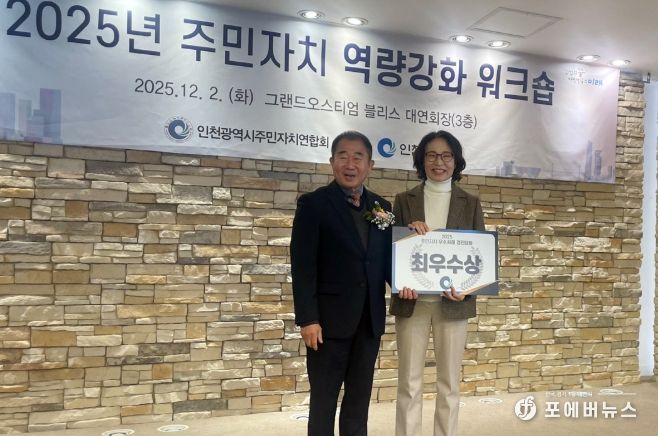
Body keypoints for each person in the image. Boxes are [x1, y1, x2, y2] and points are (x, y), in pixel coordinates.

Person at [291, 131, 393, 436]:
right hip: (327, 324)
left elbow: (386, 261)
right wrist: (308, 319)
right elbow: (303, 266)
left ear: (370, 165)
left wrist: (411, 274)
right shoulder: (314, 204)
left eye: (358, 157)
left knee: (359, 402)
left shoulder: (382, 207)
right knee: (323, 402)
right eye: (343, 156)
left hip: (369, 322)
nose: (350, 164)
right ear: (332, 161)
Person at [391, 130, 485, 436]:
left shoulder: (470, 203)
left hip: (453, 305)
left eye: (446, 156)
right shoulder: (403, 201)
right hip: (412, 303)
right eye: (431, 155)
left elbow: (480, 258)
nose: (438, 162)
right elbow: (391, 251)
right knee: (409, 383)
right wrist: (400, 276)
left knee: (449, 384)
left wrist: (467, 291)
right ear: (422, 160)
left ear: (456, 161)